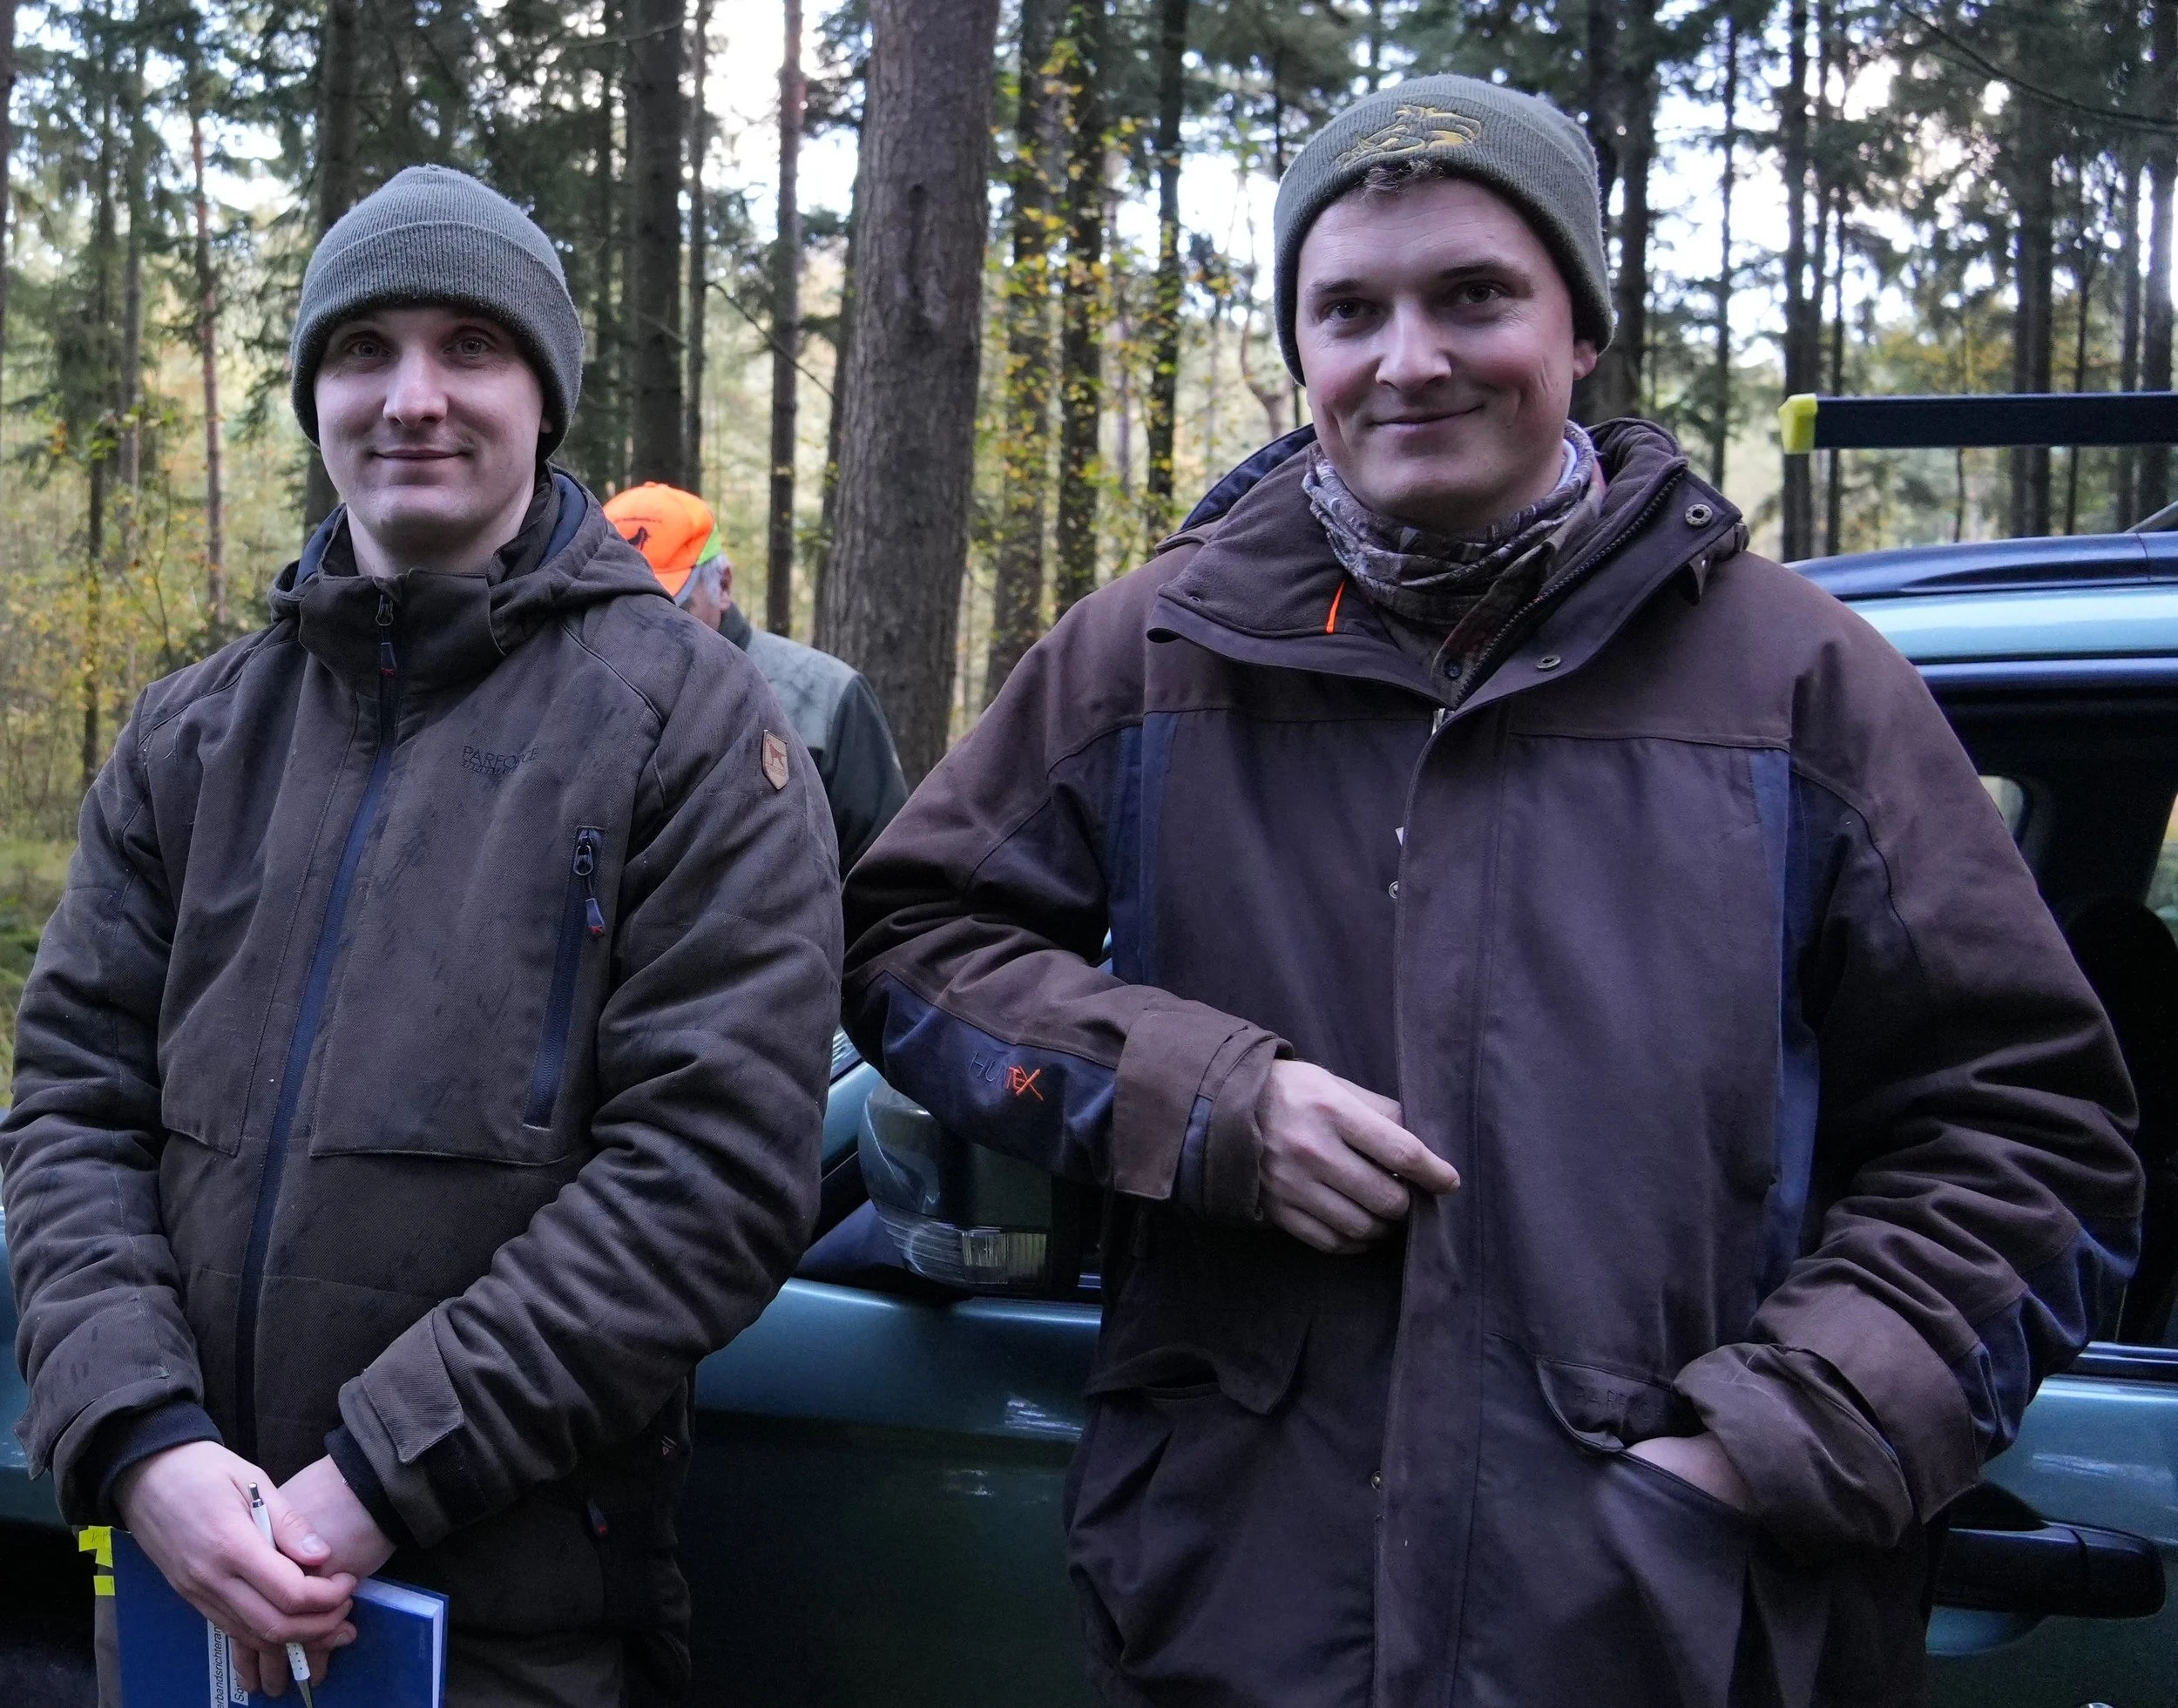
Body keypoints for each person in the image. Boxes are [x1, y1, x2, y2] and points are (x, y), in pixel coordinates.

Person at [840, 76, 2142, 1708]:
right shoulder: (1154, 653)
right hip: (1239, 1617)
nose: (1410, 359)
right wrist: (1203, 1099)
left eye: (1474, 296)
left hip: (1667, 1637)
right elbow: (909, 944)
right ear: (1300, 346)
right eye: (1351, 310)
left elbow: (2036, 1137)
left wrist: (1770, 1441)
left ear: (1580, 329)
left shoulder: (1801, 685)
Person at [1, 165, 842, 1707]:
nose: (412, 398)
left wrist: (374, 1478)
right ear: (314, 393)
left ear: (543, 395)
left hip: (511, 1623)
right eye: (363, 350)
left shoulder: (690, 726)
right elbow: (70, 1110)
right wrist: (143, 1441)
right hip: (182, 1589)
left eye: (471, 346)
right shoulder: (192, 737)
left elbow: (710, 1173)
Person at [604, 483, 909, 873]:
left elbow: (883, 875)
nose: (641, 631)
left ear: (723, 586)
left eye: (667, 609)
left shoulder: (826, 698)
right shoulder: (568, 697)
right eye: (618, 609)